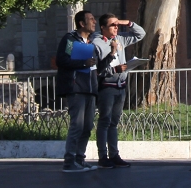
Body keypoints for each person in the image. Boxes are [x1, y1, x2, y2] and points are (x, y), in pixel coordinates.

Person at [91, 13, 145, 169]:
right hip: (107, 87)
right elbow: (97, 69)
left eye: (117, 25)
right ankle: (103, 155)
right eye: (112, 25)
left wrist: (126, 22)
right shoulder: (97, 43)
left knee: (114, 123)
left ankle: (114, 155)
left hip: (120, 86)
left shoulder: (120, 38)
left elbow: (141, 34)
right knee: (104, 121)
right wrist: (114, 69)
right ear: (102, 28)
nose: (115, 28)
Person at [55, 10, 100, 172]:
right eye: (91, 19)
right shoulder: (70, 39)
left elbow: (95, 65)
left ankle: (80, 159)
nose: (94, 22)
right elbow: (62, 60)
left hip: (90, 89)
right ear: (82, 23)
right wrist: (83, 63)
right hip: (76, 88)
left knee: (87, 126)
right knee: (77, 125)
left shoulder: (91, 42)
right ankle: (69, 160)